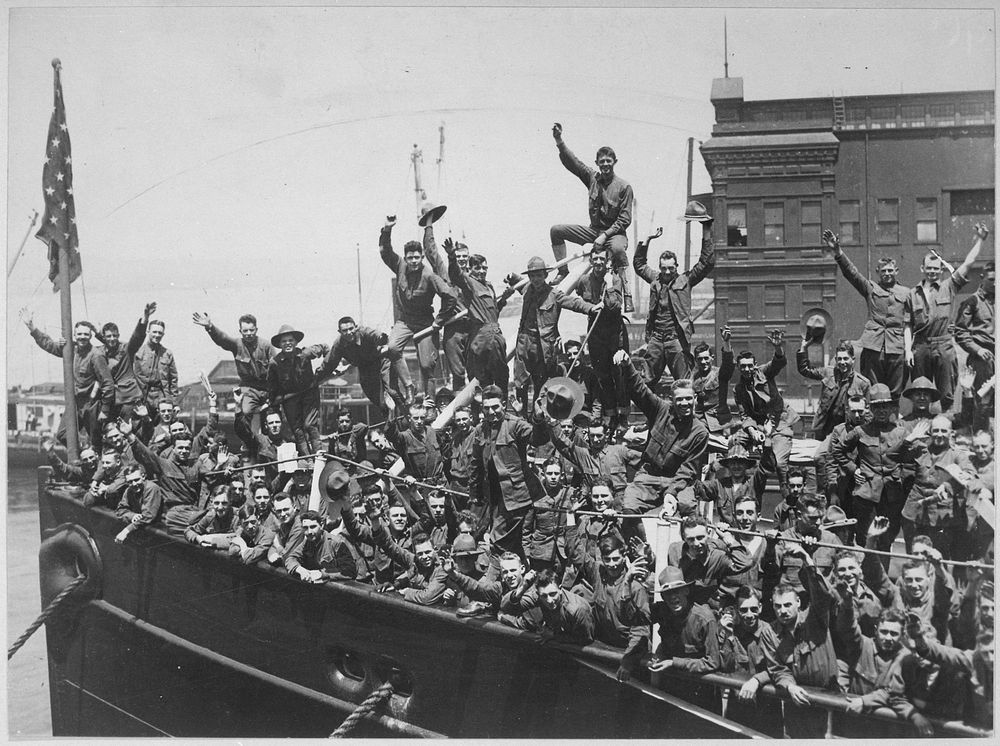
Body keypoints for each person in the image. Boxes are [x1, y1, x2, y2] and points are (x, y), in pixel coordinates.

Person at [549, 122, 634, 311]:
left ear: (614, 162)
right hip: (593, 231)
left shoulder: (624, 187)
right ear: (597, 163)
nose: (605, 165)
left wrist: (605, 236)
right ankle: (563, 272)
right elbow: (574, 163)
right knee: (556, 231)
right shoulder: (592, 178)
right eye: (601, 161)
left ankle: (625, 292)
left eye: (608, 161)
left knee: (619, 250)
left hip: (614, 234)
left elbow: (625, 219)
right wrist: (559, 140)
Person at [908, 224, 989, 411]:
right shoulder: (913, 294)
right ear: (922, 268)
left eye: (936, 268)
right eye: (928, 268)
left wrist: (980, 240)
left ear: (941, 270)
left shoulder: (948, 286)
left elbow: (968, 263)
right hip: (920, 346)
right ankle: (922, 427)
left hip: (943, 344)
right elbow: (907, 325)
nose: (932, 272)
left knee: (947, 393)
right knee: (921, 391)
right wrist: (908, 350)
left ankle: (947, 427)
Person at [824, 229, 912, 400]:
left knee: (895, 391)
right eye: (883, 271)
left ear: (897, 271)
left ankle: (892, 423)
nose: (887, 273)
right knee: (872, 389)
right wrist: (837, 251)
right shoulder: (871, 288)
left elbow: (913, 321)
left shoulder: (907, 293)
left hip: (897, 347)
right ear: (878, 272)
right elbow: (852, 273)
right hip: (873, 347)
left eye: (890, 270)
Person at [762, 545, 839, 738]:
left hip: (826, 698)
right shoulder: (769, 632)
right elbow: (777, 668)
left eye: (788, 605)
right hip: (795, 699)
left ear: (798, 602)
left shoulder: (815, 617)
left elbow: (822, 595)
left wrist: (807, 560)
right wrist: (790, 686)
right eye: (778, 606)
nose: (783, 611)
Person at [379, 215, 459, 400]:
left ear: (422, 257)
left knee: (426, 365)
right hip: (405, 320)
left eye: (417, 257)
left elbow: (450, 296)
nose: (413, 261)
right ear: (405, 258)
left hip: (425, 322)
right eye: (410, 258)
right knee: (392, 348)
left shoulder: (430, 275)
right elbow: (385, 252)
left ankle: (429, 403)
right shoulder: (399, 266)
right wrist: (387, 229)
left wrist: (439, 321)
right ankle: (409, 386)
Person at [632, 210, 715, 384]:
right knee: (647, 381)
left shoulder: (686, 279)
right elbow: (639, 265)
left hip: (676, 339)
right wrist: (647, 240)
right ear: (660, 267)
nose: (667, 272)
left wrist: (706, 230)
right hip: (656, 338)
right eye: (663, 268)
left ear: (676, 266)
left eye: (671, 268)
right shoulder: (655, 279)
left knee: (684, 382)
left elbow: (706, 263)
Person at [469, 385, 548, 559]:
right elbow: (476, 463)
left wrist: (539, 418)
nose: (491, 412)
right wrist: (475, 492)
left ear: (503, 405)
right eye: (486, 408)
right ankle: (521, 575)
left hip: (516, 496)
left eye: (495, 407)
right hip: (494, 496)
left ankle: (496, 581)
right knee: (513, 544)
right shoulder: (480, 430)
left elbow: (538, 438)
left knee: (498, 541)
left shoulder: (515, 424)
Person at [507, 256, 596, 408]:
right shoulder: (527, 289)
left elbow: (573, 302)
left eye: (539, 275)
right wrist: (510, 277)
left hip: (544, 349)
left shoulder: (554, 295)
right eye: (533, 276)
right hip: (524, 345)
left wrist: (590, 308)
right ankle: (521, 415)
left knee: (540, 384)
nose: (536, 279)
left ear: (545, 276)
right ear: (529, 277)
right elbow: (518, 281)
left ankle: (537, 416)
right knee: (520, 382)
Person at [563, 531, 651, 682]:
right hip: (604, 646)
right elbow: (577, 553)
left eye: (616, 558)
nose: (612, 564)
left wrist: (627, 662)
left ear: (624, 558)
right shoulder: (599, 572)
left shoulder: (635, 587)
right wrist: (570, 515)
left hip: (629, 653)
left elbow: (640, 630)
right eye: (607, 559)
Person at [429, 228, 510, 392]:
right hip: (464, 330)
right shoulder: (467, 282)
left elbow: (493, 312)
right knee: (467, 375)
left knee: (499, 375)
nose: (481, 271)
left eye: (484, 268)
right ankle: (466, 412)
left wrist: (504, 297)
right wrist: (451, 256)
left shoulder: (489, 286)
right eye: (478, 268)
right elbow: (455, 273)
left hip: (486, 333)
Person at [835, 604, 932, 737]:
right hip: (854, 724)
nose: (888, 638)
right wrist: (847, 604)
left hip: (884, 729)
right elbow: (849, 629)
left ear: (902, 635)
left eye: (894, 634)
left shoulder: (906, 658)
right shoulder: (863, 645)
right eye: (884, 631)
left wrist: (864, 701)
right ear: (876, 630)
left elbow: (893, 693)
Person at [832, 383, 906, 547]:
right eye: (877, 407)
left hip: (892, 495)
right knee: (865, 539)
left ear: (891, 408)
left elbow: (910, 457)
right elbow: (837, 450)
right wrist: (853, 469)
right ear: (871, 409)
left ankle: (882, 573)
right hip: (866, 495)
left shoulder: (900, 432)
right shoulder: (860, 431)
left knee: (886, 540)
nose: (882, 411)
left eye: (885, 407)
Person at [24, 315, 114, 448]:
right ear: (74, 335)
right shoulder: (71, 349)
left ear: (90, 336)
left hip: (91, 404)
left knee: (97, 441)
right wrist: (32, 328)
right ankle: (84, 453)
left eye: (85, 334)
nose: (82, 337)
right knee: (62, 434)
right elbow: (49, 345)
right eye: (79, 334)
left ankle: (100, 463)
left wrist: (105, 409)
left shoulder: (96, 355)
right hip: (75, 403)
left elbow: (108, 383)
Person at [889, 417, 975, 556]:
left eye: (943, 431)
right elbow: (892, 455)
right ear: (930, 432)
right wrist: (910, 438)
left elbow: (970, 475)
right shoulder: (921, 449)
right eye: (935, 431)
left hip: (941, 518)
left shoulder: (957, 455)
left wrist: (947, 486)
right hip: (914, 513)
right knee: (914, 556)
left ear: (951, 433)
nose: (939, 434)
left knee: (938, 557)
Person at [730, 329, 799, 496]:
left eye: (749, 365)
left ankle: (788, 496)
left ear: (754, 365)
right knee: (736, 443)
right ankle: (741, 493)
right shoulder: (739, 389)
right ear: (738, 367)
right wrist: (753, 432)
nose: (746, 369)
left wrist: (778, 348)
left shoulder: (764, 372)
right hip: (759, 424)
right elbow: (745, 415)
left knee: (779, 463)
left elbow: (778, 363)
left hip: (778, 420)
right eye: (743, 366)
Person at [567, 245, 628, 430]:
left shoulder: (615, 279)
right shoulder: (584, 280)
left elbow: (615, 306)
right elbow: (576, 296)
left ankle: (623, 417)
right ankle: (610, 415)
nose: (599, 262)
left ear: (608, 261)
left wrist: (609, 284)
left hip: (614, 332)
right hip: (595, 333)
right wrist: (587, 307)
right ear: (591, 261)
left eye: (602, 259)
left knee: (619, 375)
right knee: (603, 376)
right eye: (596, 259)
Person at [119, 418, 214, 536]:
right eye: (180, 448)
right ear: (173, 448)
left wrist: (223, 468)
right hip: (175, 513)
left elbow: (212, 477)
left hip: (194, 511)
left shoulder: (196, 465)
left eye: (187, 448)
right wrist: (129, 435)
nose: (184, 451)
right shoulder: (164, 464)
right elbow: (144, 454)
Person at [647, 566, 721, 709]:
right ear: (662, 597)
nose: (673, 597)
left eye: (677, 591)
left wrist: (674, 662)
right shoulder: (662, 611)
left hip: (701, 692)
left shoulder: (704, 619)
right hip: (672, 688)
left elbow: (713, 662)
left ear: (686, 591)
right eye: (667, 593)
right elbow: (634, 617)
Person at [192, 311, 277, 434]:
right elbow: (223, 339)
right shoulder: (237, 345)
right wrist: (210, 327)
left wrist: (274, 394)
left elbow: (276, 370)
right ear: (240, 331)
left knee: (274, 418)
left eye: (251, 330)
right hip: (249, 388)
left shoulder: (266, 345)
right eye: (245, 331)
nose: (249, 334)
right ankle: (248, 444)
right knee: (245, 412)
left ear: (256, 329)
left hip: (268, 388)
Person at [543, 416, 639, 506]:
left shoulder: (620, 451)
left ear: (607, 434)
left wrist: (634, 489)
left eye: (599, 435)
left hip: (620, 506)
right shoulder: (584, 455)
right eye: (592, 436)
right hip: (596, 506)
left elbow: (646, 463)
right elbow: (563, 444)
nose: (595, 439)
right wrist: (553, 423)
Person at [764, 493, 842, 600]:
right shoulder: (784, 539)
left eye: (820, 517)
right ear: (799, 515)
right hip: (793, 606)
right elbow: (770, 572)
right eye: (813, 518)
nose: (819, 523)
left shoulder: (831, 540)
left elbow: (843, 573)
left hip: (823, 604)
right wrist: (770, 547)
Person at [267, 324, 328, 457]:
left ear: (295, 342)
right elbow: (272, 387)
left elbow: (325, 348)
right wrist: (273, 405)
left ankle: (319, 457)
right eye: (284, 341)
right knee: (298, 431)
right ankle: (308, 459)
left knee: (310, 425)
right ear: (279, 344)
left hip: (309, 394)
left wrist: (331, 365)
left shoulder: (305, 354)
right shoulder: (275, 363)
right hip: (290, 398)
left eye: (290, 340)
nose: (288, 343)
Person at [317, 316, 397, 418]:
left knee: (392, 391)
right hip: (364, 368)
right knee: (374, 397)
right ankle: (387, 416)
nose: (349, 332)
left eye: (351, 329)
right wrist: (318, 376)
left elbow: (375, 335)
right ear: (340, 331)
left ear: (356, 327)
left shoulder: (363, 331)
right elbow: (330, 362)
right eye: (345, 330)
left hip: (380, 360)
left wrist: (382, 338)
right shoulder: (339, 344)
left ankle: (403, 410)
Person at [667, 515, 752, 609]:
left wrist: (728, 538)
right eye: (691, 539)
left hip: (705, 608)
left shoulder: (717, 556)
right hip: (680, 607)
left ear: (709, 533)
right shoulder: (674, 550)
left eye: (700, 538)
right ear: (684, 537)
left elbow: (745, 563)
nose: (696, 544)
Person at [796, 338, 870, 439]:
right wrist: (803, 348)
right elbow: (804, 370)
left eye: (845, 358)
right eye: (839, 359)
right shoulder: (828, 373)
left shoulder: (862, 383)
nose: (842, 362)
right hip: (823, 430)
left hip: (848, 432)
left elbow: (868, 413)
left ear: (853, 359)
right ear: (835, 360)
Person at [97, 302, 156, 420]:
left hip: (129, 399)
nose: (112, 339)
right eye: (108, 336)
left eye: (114, 335)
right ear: (103, 337)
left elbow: (137, 338)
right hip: (110, 401)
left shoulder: (126, 349)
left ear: (118, 335)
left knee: (128, 431)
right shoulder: (98, 353)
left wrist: (145, 318)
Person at [954, 260, 995, 430]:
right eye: (992, 279)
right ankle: (980, 440)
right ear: (982, 277)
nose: (995, 283)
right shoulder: (973, 301)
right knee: (982, 403)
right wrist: (977, 350)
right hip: (983, 359)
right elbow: (960, 331)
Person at [696, 444, 767, 526]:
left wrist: (767, 444)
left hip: (747, 533)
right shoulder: (719, 484)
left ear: (746, 465)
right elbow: (696, 488)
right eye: (733, 463)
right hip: (724, 532)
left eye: (740, 462)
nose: (736, 466)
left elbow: (766, 467)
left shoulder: (755, 483)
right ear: (728, 465)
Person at [521, 459, 572, 572]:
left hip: (563, 551)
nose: (553, 477)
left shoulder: (569, 494)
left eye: (556, 473)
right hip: (540, 551)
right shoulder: (536, 494)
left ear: (562, 476)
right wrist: (526, 555)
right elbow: (526, 529)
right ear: (543, 474)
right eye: (549, 473)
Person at [284, 509, 357, 583]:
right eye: (305, 528)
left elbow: (350, 570)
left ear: (321, 525)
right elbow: (291, 558)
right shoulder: (307, 542)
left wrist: (322, 574)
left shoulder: (336, 543)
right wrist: (300, 570)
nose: (309, 532)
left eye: (313, 527)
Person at [134, 318, 179, 414]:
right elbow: (132, 377)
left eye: (160, 333)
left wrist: (174, 403)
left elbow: (173, 379)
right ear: (148, 331)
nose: (157, 335)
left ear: (163, 334)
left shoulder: (167, 353)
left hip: (162, 398)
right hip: (142, 398)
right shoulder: (138, 352)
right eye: (154, 332)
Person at [113, 463, 165, 545]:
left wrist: (126, 531)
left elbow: (148, 516)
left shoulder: (151, 488)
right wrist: (132, 515)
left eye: (136, 480)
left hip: (158, 530)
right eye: (130, 482)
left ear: (143, 476)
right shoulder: (129, 490)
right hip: (141, 528)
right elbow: (120, 510)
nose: (134, 484)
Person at [692, 338, 732, 435]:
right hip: (700, 420)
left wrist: (726, 342)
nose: (703, 362)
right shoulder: (693, 377)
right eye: (699, 359)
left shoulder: (720, 374)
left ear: (712, 357)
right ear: (695, 360)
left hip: (720, 421)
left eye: (706, 358)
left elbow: (728, 363)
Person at [185, 485, 240, 549]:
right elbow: (188, 531)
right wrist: (198, 538)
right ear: (212, 503)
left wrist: (211, 539)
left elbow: (239, 538)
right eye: (216, 503)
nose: (220, 507)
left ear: (230, 502)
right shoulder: (210, 516)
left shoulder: (238, 516)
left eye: (224, 503)